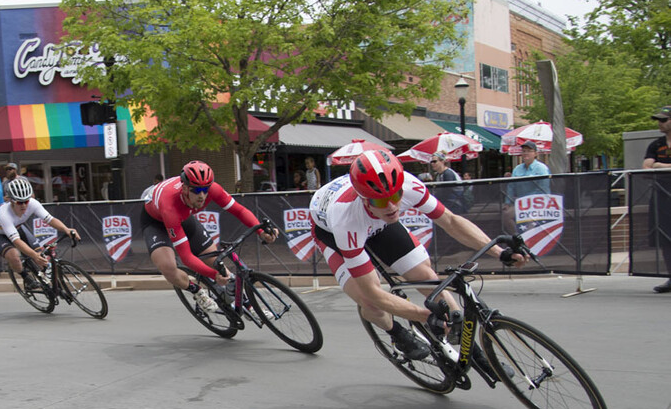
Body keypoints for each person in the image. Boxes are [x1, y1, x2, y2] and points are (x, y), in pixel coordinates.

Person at [308, 150, 527, 371]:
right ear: (366, 200)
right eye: (382, 201)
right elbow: (373, 292)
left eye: (395, 197)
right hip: (331, 233)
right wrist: (427, 317)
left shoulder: (408, 186)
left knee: (426, 277)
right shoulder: (346, 219)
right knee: (370, 301)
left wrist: (499, 252)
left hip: (379, 225)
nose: (392, 207)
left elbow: (450, 221)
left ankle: (475, 352)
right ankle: (396, 333)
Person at [141, 160, 277, 313]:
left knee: (215, 261)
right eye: (196, 191)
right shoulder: (170, 206)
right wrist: (213, 275)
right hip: (155, 222)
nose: (202, 195)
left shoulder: (212, 190)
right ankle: (196, 290)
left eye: (205, 189)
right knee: (168, 267)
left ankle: (246, 304)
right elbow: (186, 256)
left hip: (184, 218)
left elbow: (239, 210)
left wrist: (261, 231)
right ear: (185, 188)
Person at [0, 177, 79, 290]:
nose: (24, 205)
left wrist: (66, 229)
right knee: (14, 256)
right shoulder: (3, 213)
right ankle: (25, 276)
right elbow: (16, 241)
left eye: (26, 201)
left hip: (18, 228)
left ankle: (53, 286)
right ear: (11, 200)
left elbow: (50, 219)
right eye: (20, 202)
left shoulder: (33, 203)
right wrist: (33, 255)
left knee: (41, 257)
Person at [642, 105, 671, 293]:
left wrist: (659, 165)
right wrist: (664, 165)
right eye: (658, 120)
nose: (660, 123)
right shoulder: (656, 144)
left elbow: (654, 166)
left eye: (663, 120)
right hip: (662, 195)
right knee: (665, 237)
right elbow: (646, 167)